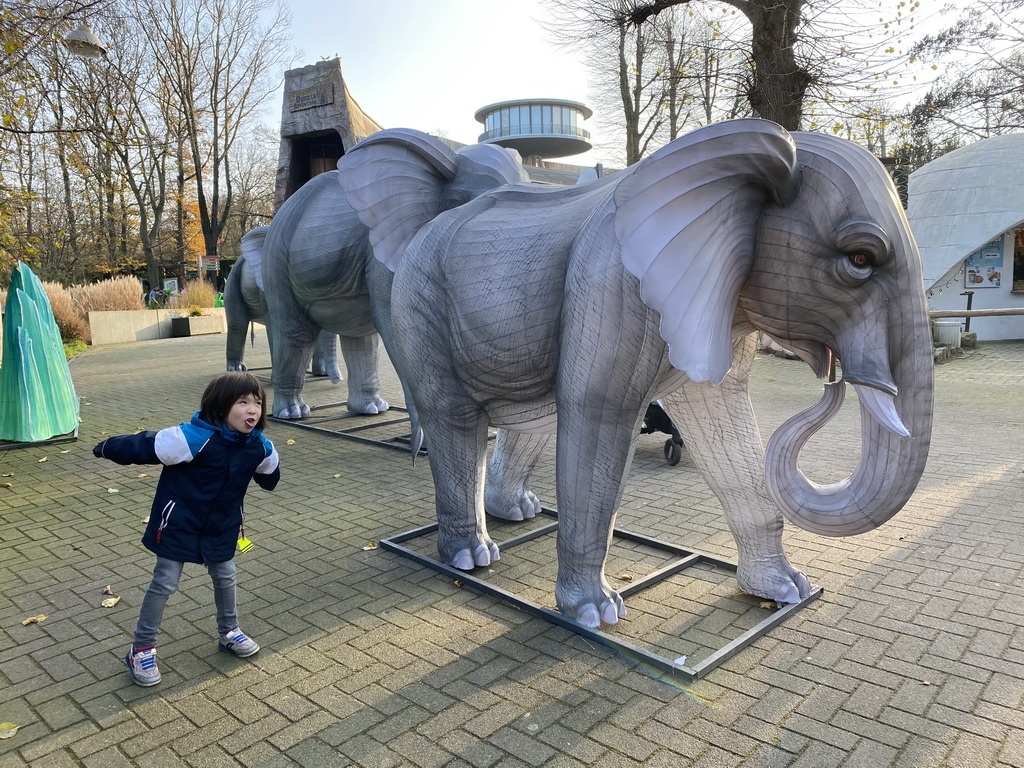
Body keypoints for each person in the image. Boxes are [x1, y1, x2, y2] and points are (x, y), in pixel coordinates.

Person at [93, 372, 280, 686]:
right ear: (220, 407)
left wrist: (269, 469)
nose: (252, 410)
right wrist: (106, 447)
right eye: (242, 403)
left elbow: (269, 475)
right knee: (165, 583)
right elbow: (144, 446)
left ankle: (229, 632)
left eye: (257, 403)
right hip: (178, 523)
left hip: (222, 525)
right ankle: (141, 649)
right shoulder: (192, 438)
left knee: (226, 575)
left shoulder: (258, 445)